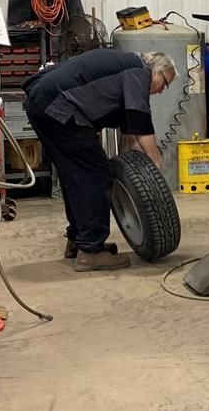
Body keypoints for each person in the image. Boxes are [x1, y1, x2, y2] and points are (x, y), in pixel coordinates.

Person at [23, 48, 176, 272]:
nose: (162, 90)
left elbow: (131, 132)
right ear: (156, 71)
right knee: (96, 174)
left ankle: (79, 240)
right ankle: (91, 252)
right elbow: (140, 120)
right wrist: (154, 160)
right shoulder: (138, 71)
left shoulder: (125, 68)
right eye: (165, 83)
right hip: (59, 107)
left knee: (74, 175)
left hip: (43, 102)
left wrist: (140, 167)